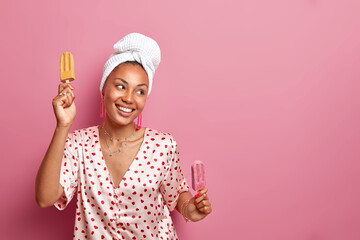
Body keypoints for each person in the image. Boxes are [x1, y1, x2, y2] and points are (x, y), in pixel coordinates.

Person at [35, 33, 212, 240]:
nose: (128, 98)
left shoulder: (163, 146)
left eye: (140, 91)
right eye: (120, 86)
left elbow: (177, 195)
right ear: (104, 89)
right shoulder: (79, 144)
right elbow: (45, 198)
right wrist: (63, 125)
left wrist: (191, 210)